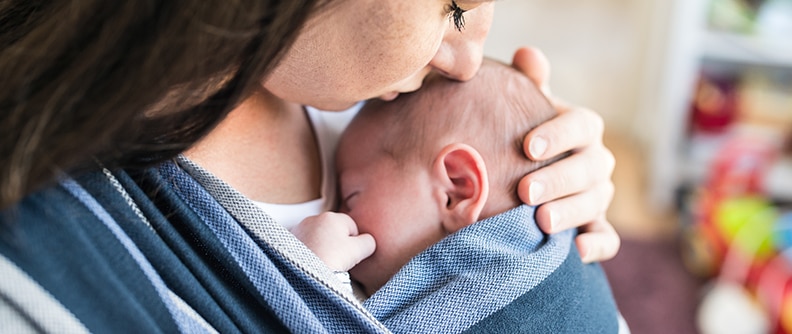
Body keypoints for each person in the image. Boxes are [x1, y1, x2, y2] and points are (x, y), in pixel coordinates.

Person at [0, 1, 619, 332]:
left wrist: (544, 187)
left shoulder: (363, 97)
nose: (466, 61)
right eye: (454, 6)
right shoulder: (47, 255)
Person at [295, 59, 626, 333]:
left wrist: (314, 278)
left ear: (456, 189)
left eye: (351, 196)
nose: (336, 214)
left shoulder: (492, 286)